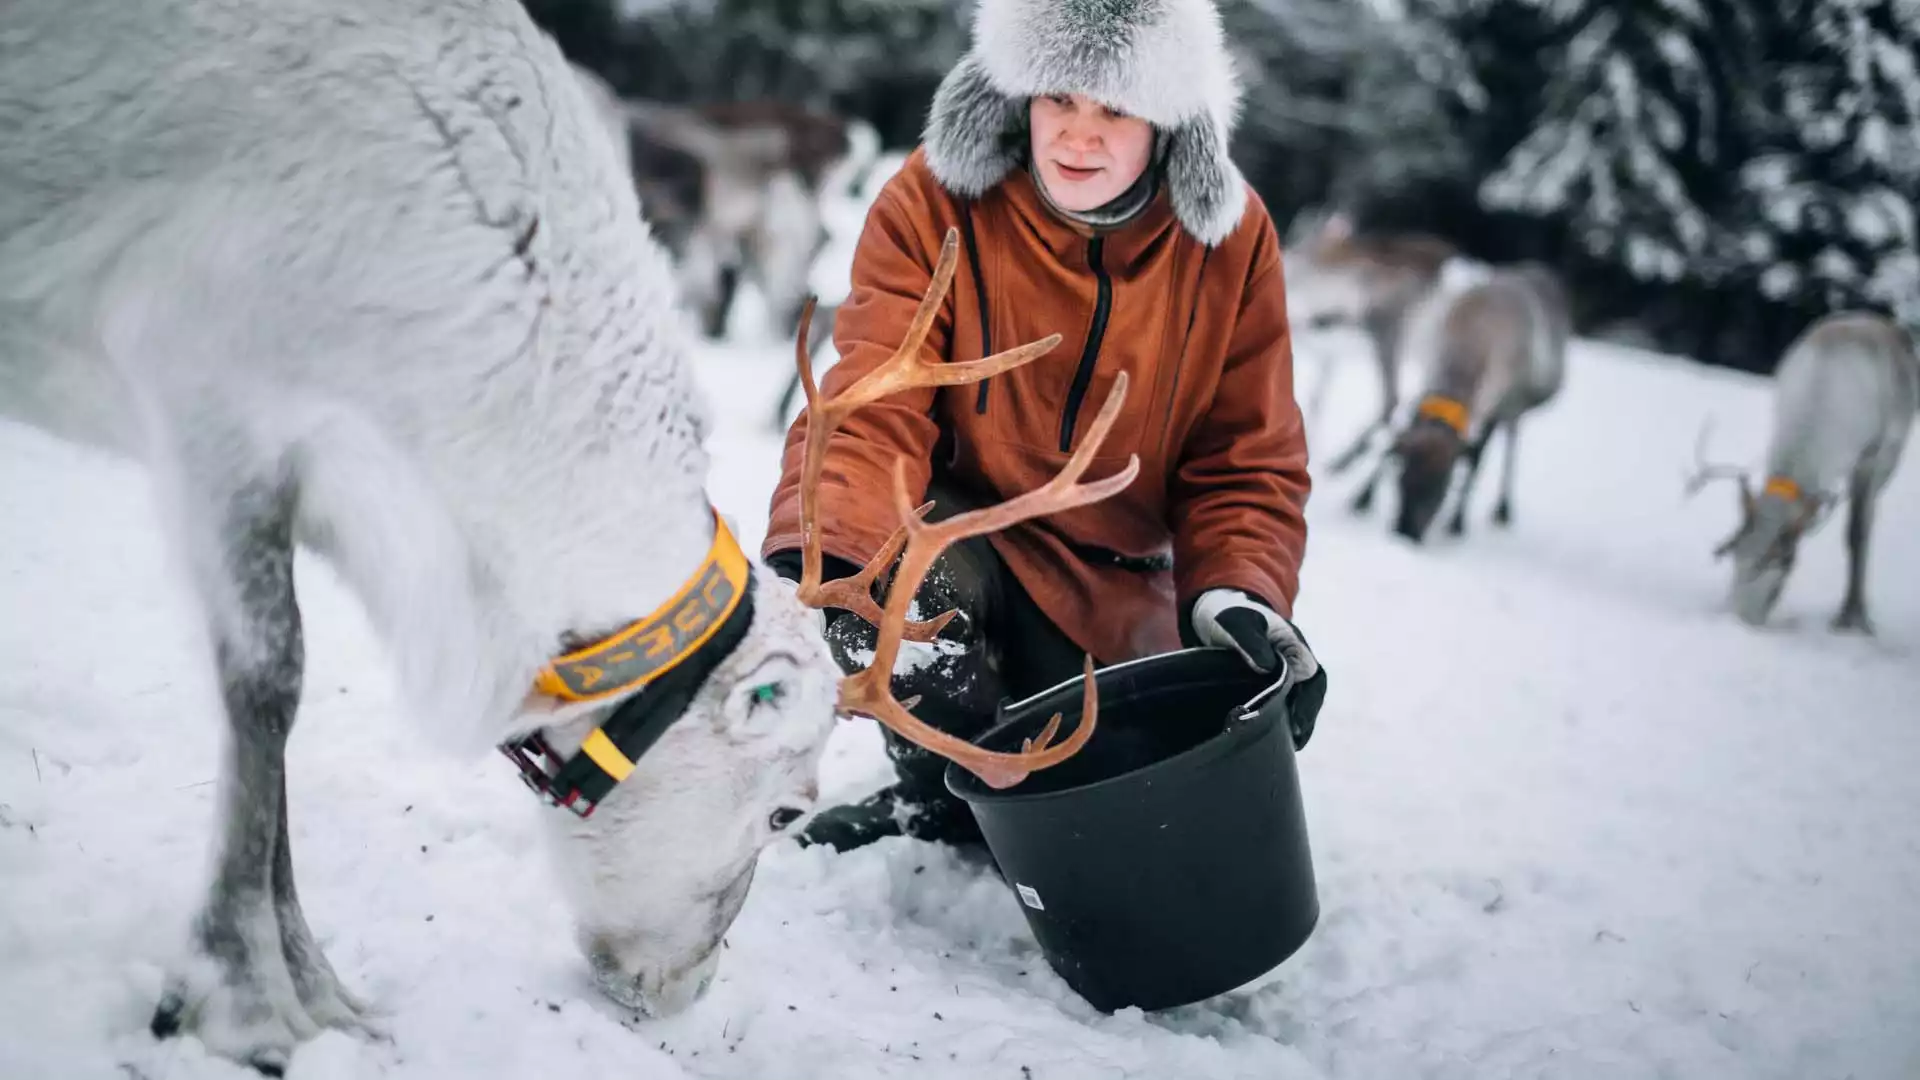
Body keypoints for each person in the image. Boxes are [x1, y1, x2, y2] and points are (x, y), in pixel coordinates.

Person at [761, 0, 1327, 852]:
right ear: (1018, 90)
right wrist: (828, 550)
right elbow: (873, 399)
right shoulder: (933, 201)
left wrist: (1239, 591)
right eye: (1058, 98)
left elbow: (1246, 461)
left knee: (1104, 795)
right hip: (967, 546)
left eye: (1117, 108)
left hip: (1123, 598)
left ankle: (1022, 786)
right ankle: (933, 793)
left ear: (1169, 121)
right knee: (883, 582)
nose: (1077, 137)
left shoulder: (1232, 244)